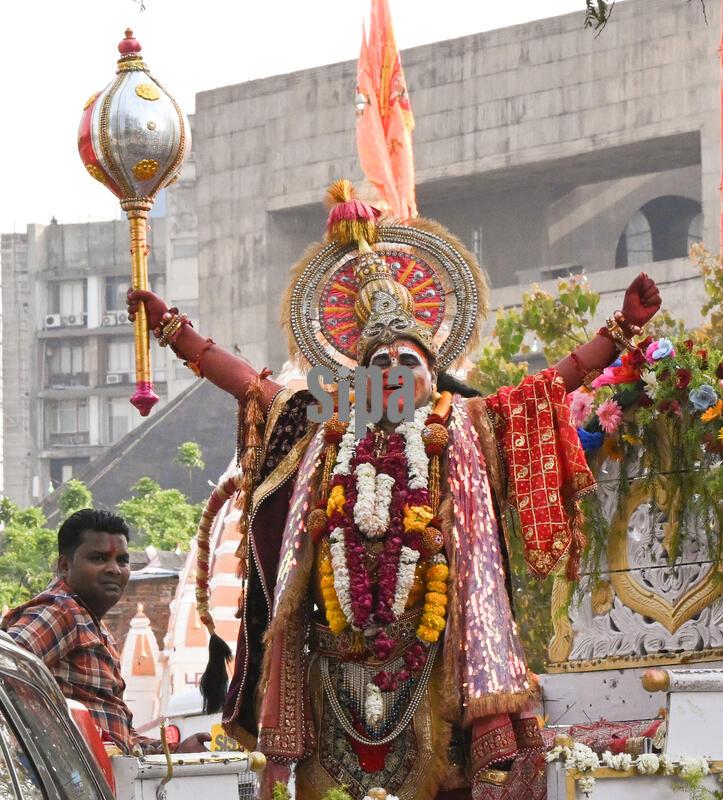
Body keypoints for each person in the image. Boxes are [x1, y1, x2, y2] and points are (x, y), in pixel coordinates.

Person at [127, 180, 661, 799]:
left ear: (431, 377)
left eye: (407, 366)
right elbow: (250, 385)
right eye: (378, 368)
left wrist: (619, 328)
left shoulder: (462, 425)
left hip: (432, 664)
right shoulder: (322, 425)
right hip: (331, 671)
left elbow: (548, 387)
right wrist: (171, 328)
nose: (392, 378)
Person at [1, 508, 209, 755]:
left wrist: (173, 751)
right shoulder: (62, 610)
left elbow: (117, 738)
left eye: (122, 560)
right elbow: (6, 668)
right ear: (65, 566)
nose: (114, 569)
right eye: (98, 558)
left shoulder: (92, 624)